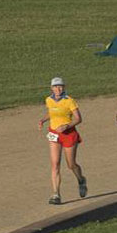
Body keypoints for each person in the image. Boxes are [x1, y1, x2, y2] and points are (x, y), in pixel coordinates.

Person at [38, 77, 87, 205]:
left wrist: (67, 126)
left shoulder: (69, 101)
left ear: (64, 87)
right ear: (51, 88)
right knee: (55, 164)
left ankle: (81, 180)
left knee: (71, 164)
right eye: (55, 87)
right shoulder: (48, 100)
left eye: (60, 86)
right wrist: (43, 120)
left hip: (68, 134)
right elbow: (52, 113)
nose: (58, 89)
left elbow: (78, 118)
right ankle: (56, 194)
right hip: (54, 134)